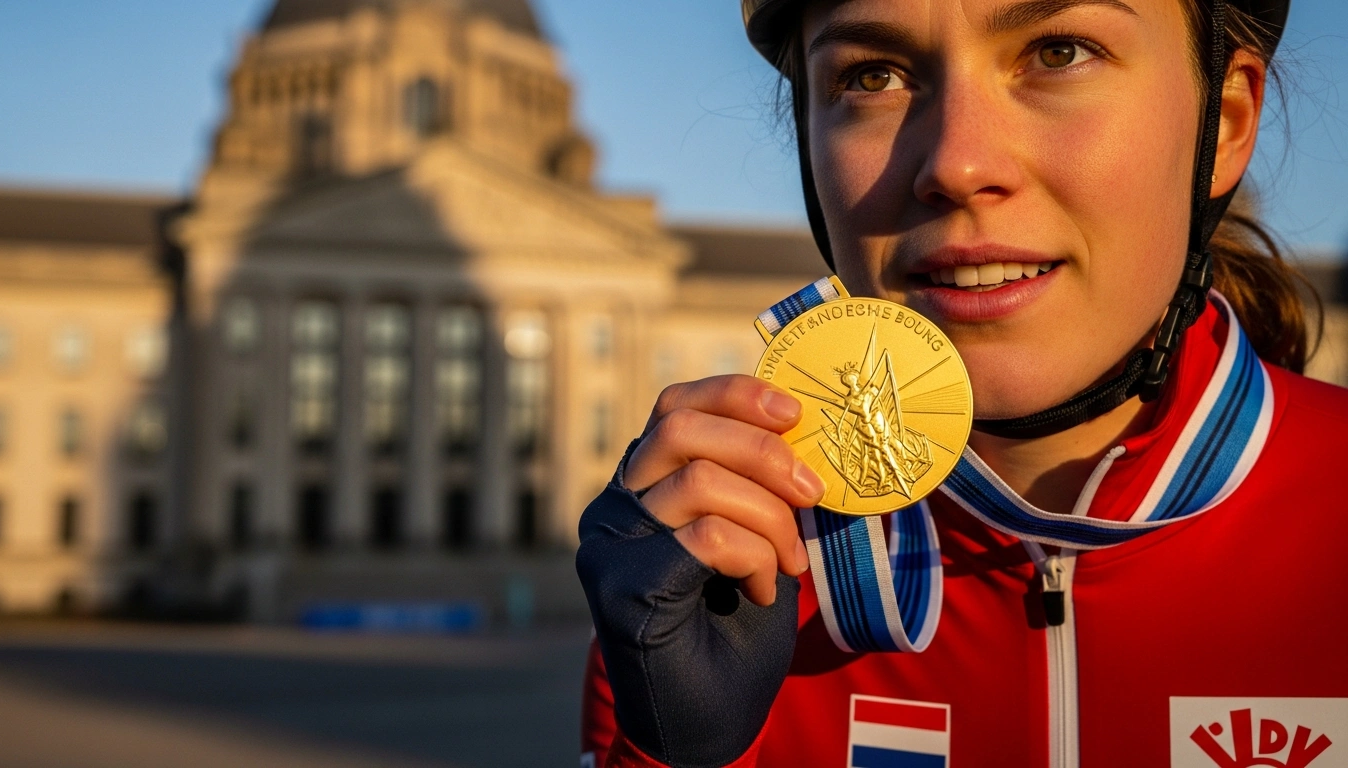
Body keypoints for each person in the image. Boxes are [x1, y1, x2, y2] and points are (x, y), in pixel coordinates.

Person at [576, 0, 1348, 766]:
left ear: (1228, 120)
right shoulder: (706, 587)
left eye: (1059, 53)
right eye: (871, 74)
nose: (957, 163)